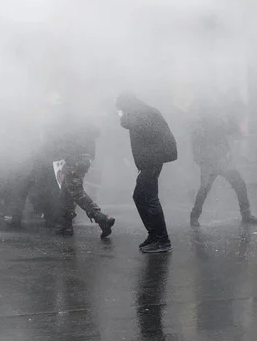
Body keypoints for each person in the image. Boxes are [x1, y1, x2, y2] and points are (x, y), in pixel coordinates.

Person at [116, 92, 177, 253]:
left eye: (120, 109)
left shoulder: (142, 112)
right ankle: (154, 235)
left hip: (154, 158)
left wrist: (125, 120)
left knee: (149, 197)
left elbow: (144, 129)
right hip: (151, 158)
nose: (120, 112)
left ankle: (162, 239)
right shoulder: (141, 110)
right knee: (140, 196)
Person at [189, 94, 257, 227]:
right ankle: (194, 217)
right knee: (206, 189)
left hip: (222, 161)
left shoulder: (214, 122)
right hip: (212, 162)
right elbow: (198, 146)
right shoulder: (205, 125)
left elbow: (233, 132)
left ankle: (195, 217)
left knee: (236, 185)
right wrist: (201, 160)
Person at [54, 106, 115, 238]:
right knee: (66, 192)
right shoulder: (85, 126)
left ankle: (102, 218)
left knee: (76, 192)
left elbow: (65, 146)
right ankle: (66, 225)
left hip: (74, 160)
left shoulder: (72, 128)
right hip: (84, 159)